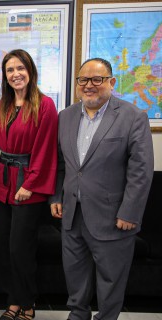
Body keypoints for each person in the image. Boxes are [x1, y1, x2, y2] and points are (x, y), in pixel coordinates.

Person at [49, 57, 154, 320]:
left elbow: (141, 170)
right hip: (72, 214)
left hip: (113, 217)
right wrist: (56, 195)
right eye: (83, 80)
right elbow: (60, 163)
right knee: (75, 275)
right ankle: (78, 315)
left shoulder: (133, 117)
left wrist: (130, 212)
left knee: (111, 280)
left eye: (97, 79)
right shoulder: (66, 117)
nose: (89, 85)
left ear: (111, 82)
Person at [0, 49, 58, 320]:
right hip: (2, 182)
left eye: (20, 68)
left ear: (30, 71)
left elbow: (46, 149)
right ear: (5, 77)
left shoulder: (45, 105)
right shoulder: (3, 105)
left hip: (27, 185)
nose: (15, 74)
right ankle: (13, 300)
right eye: (10, 70)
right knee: (4, 247)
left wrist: (30, 183)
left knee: (21, 248)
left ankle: (28, 302)